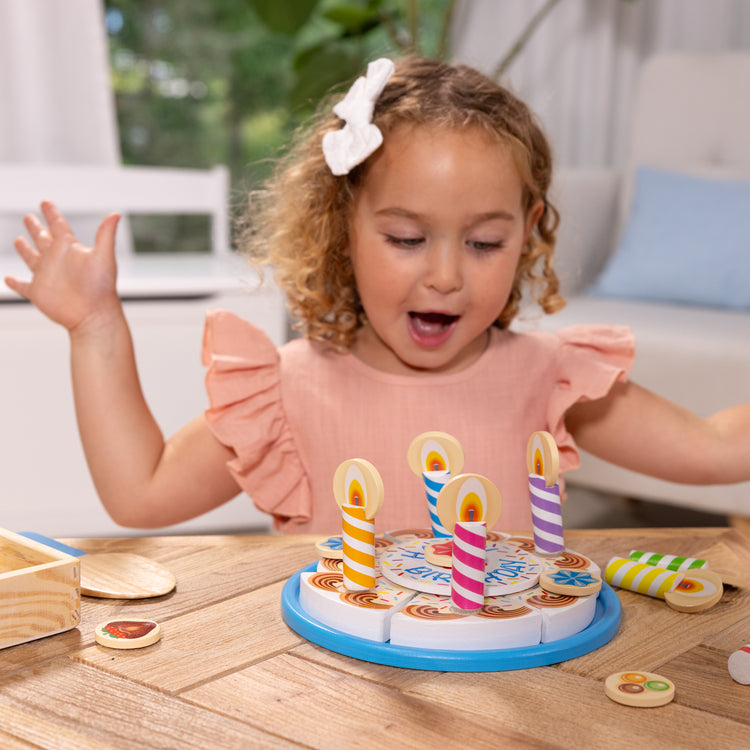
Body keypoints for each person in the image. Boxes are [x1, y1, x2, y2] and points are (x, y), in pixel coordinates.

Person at [5, 57, 750, 534]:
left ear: (527, 232)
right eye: (405, 238)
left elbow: (716, 450)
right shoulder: (287, 390)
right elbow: (139, 494)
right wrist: (95, 327)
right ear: (344, 228)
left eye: (484, 243)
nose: (447, 276)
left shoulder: (555, 382)